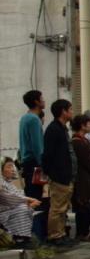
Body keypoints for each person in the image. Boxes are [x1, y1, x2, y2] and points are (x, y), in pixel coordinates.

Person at [41, 98, 75, 246]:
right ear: (63, 111)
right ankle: (55, 235)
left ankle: (61, 233)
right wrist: (51, 173)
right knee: (57, 208)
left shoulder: (62, 128)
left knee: (63, 208)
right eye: (70, 109)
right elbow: (47, 154)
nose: (72, 112)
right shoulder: (54, 129)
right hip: (59, 175)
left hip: (66, 175)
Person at [18, 90, 46, 240]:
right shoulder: (34, 120)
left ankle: (28, 232)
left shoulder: (24, 118)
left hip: (26, 162)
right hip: (34, 163)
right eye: (41, 98)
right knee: (35, 199)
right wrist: (44, 165)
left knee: (30, 197)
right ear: (36, 101)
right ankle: (35, 234)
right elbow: (38, 146)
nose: (44, 101)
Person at [0, 158, 39, 247]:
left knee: (26, 208)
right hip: (4, 213)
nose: (12, 169)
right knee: (22, 208)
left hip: (11, 210)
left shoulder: (9, 182)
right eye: (9, 166)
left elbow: (17, 196)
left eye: (12, 166)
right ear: (1, 169)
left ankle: (24, 237)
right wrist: (28, 200)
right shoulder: (1, 182)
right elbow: (8, 198)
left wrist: (27, 202)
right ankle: (20, 239)